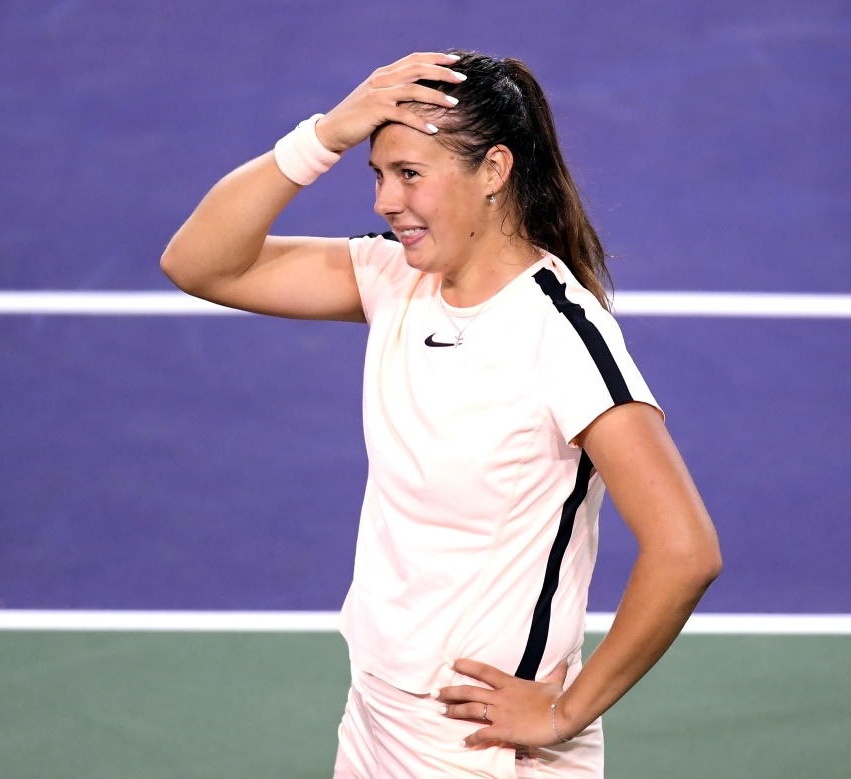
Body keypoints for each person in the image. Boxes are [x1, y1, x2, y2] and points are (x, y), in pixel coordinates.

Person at [161, 49, 722, 779]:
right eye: (378, 174)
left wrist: (564, 710)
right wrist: (325, 135)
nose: (384, 202)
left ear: (493, 171)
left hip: (478, 745)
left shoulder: (561, 335)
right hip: (377, 710)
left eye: (410, 175)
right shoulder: (396, 279)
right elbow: (198, 263)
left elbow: (685, 548)